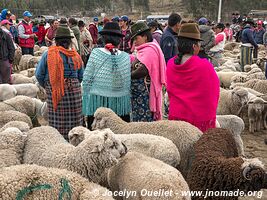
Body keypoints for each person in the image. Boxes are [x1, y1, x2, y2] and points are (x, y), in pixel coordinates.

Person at [166, 23, 220, 133]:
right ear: (194, 46)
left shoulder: (171, 64)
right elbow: (213, 91)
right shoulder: (204, 65)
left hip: (176, 117)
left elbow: (170, 90)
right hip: (198, 119)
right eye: (199, 44)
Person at [35, 25, 84, 139]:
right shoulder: (75, 55)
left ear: (56, 41)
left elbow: (39, 75)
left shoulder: (49, 54)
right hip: (74, 91)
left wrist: (50, 85)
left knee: (58, 118)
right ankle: (76, 139)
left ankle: (59, 141)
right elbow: (81, 76)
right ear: (70, 41)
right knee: (75, 117)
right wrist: (72, 84)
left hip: (56, 91)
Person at [82, 22, 131, 129]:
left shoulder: (96, 53)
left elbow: (87, 79)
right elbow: (127, 83)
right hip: (119, 105)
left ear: (103, 38)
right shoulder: (125, 57)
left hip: (98, 103)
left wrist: (86, 94)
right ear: (119, 39)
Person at [130, 22, 166, 121]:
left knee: (145, 122)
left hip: (144, 96)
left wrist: (128, 75)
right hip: (139, 95)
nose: (135, 42)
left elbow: (143, 70)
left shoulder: (150, 50)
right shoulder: (144, 50)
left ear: (145, 37)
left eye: (137, 39)